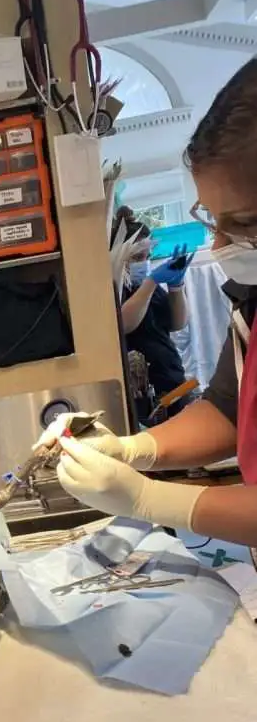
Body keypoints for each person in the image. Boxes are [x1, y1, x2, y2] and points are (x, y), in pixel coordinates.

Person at [38, 58, 257, 549]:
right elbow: (226, 408)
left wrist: (150, 501)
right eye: (212, 218)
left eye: (243, 222)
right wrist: (133, 448)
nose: (220, 244)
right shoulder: (252, 300)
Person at [112, 207, 194, 422]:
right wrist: (150, 283)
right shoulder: (113, 290)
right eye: (138, 257)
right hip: (146, 398)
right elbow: (123, 325)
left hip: (174, 384)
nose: (145, 262)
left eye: (148, 256)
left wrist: (177, 286)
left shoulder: (148, 286)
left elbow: (177, 323)